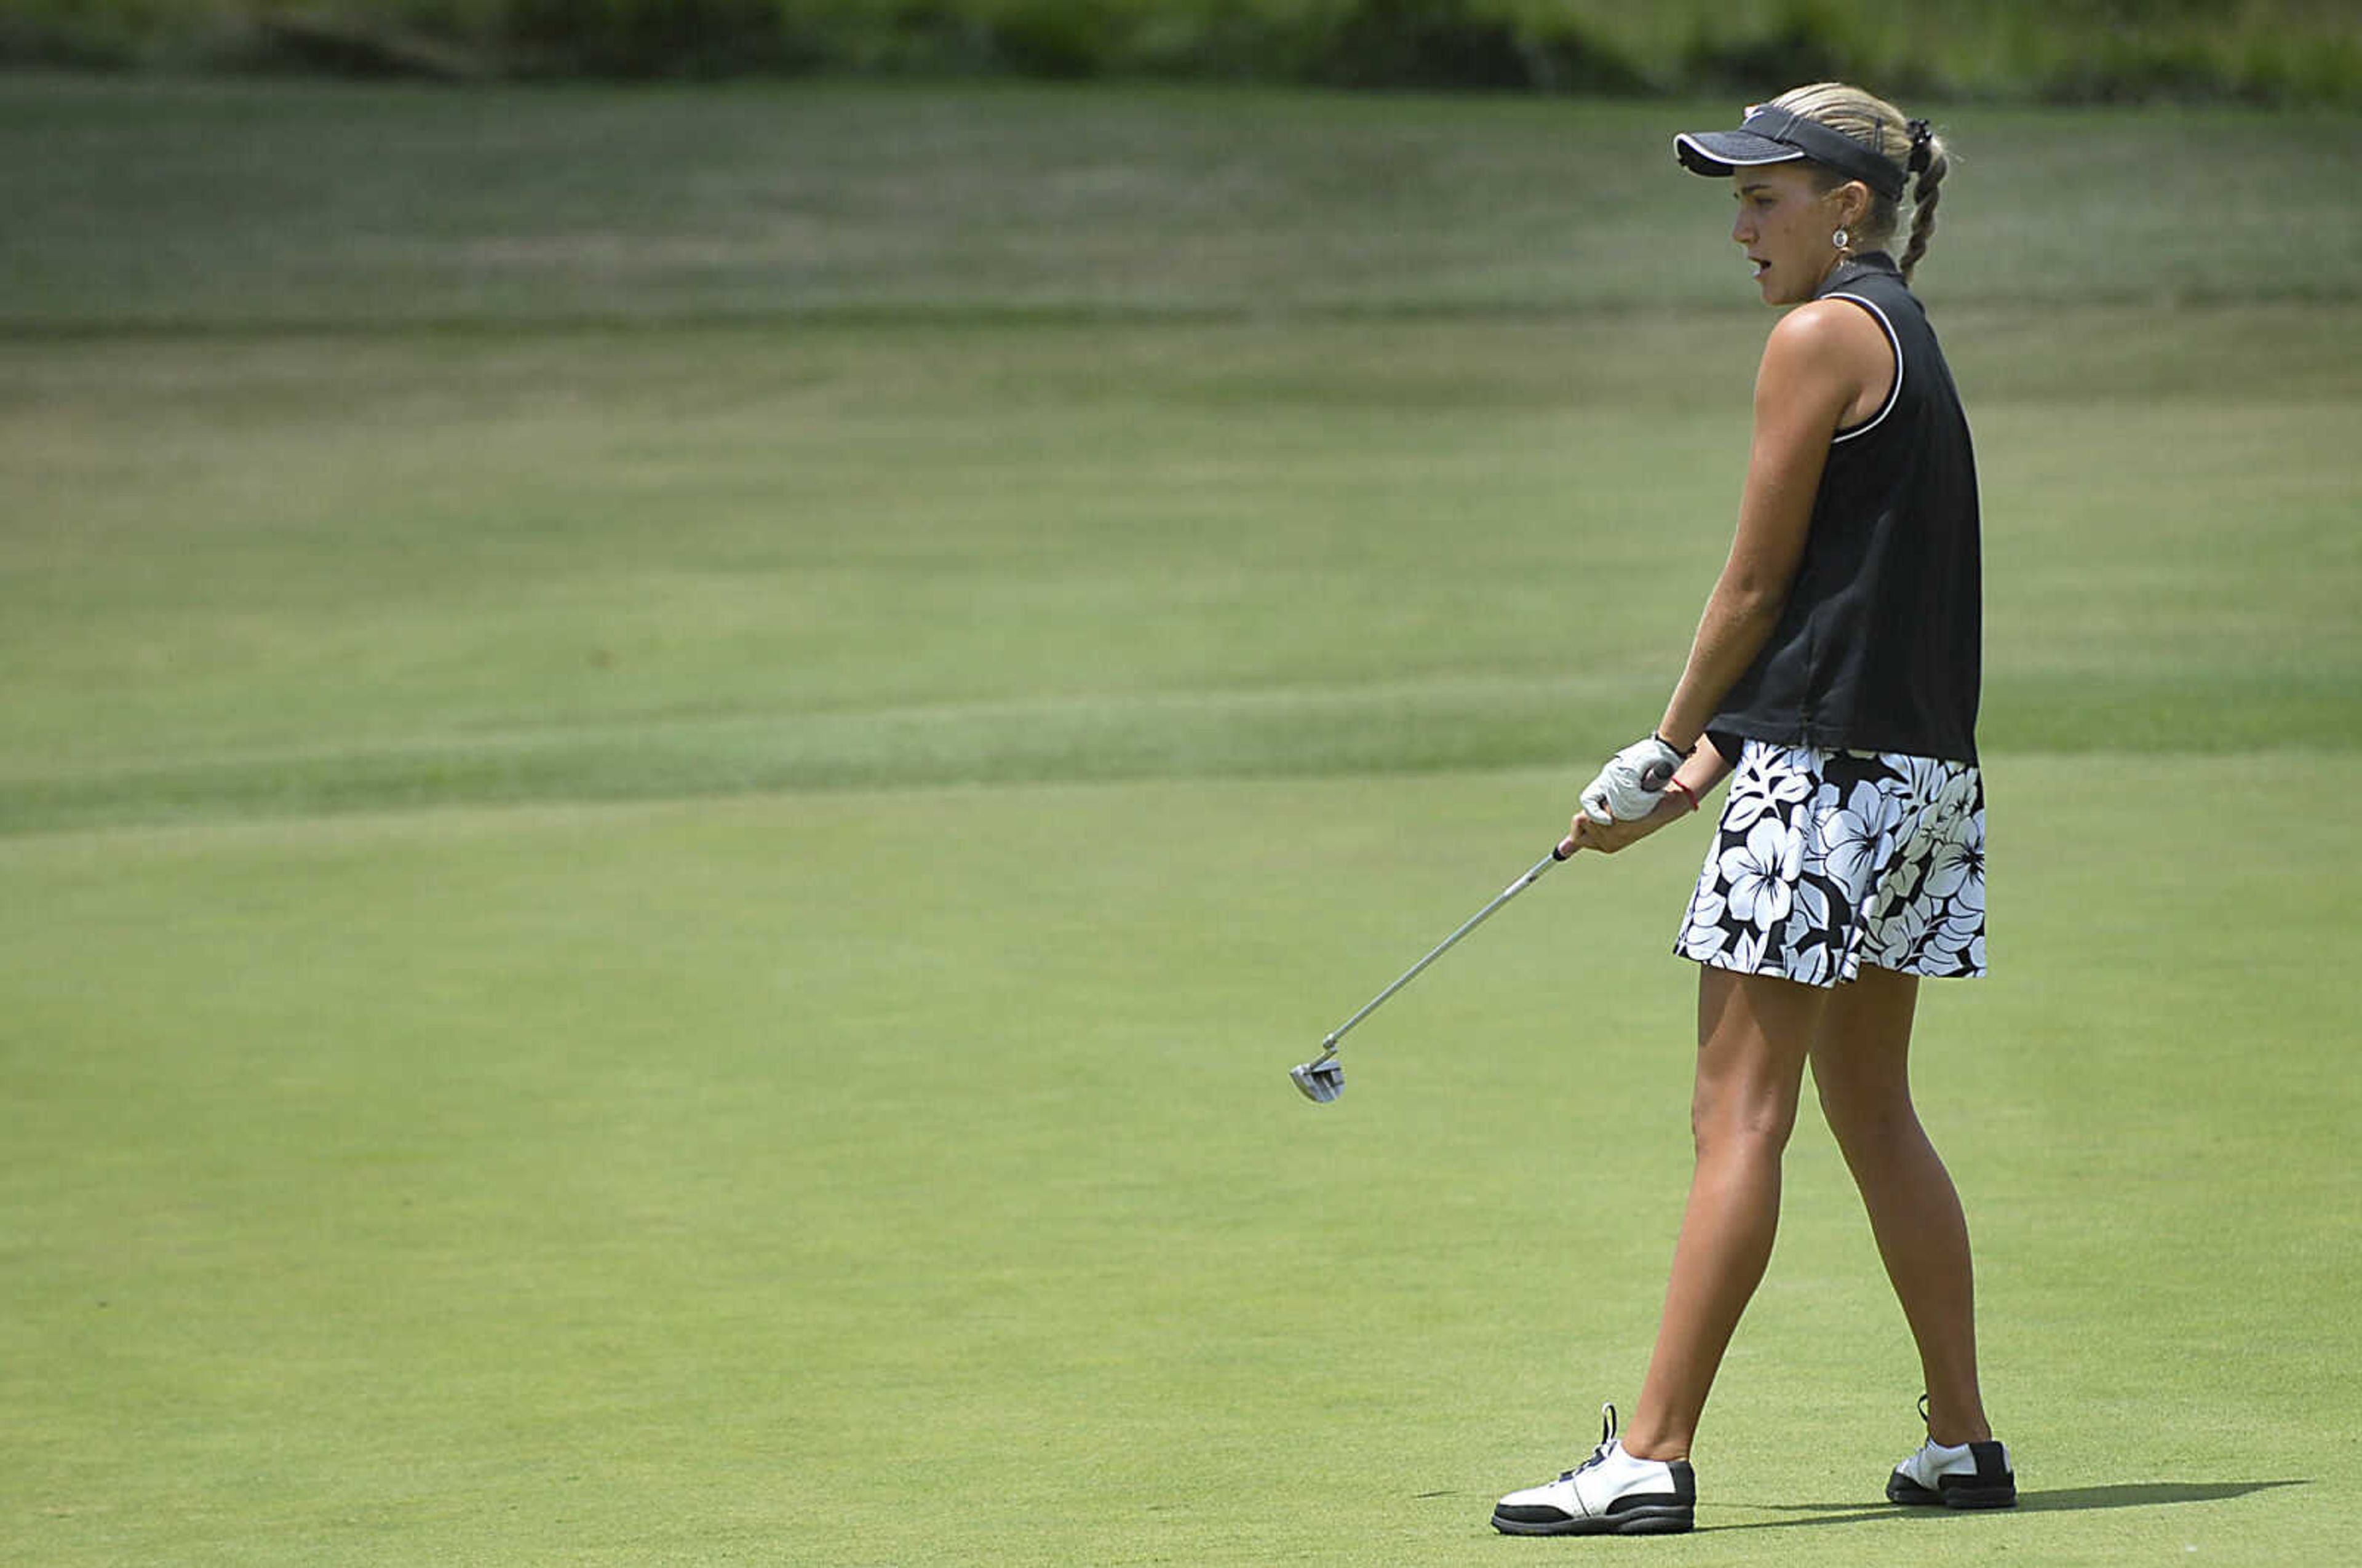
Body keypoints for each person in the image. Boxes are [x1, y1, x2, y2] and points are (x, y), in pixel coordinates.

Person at [1489, 84, 2013, 1538]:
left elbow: (1756, 589)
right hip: (1916, 778)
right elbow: (1838, 620)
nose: (1739, 230)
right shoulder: (1905, 332)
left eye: (1762, 199)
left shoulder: (1818, 335)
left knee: (1738, 1115)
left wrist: (1659, 752)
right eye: (1734, 200)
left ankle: (1650, 1454)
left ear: (1847, 205)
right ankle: (1961, 1439)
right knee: (1870, 1106)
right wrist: (1702, 772)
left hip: (1830, 786)